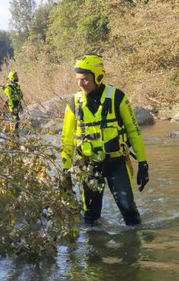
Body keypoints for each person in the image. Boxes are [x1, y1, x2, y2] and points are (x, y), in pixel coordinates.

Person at [61, 54, 150, 226]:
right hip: (88, 166)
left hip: (116, 163)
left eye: (85, 79)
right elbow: (66, 138)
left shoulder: (117, 98)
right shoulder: (73, 103)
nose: (80, 84)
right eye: (78, 79)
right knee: (90, 219)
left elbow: (134, 131)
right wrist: (65, 171)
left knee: (130, 213)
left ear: (98, 77)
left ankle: (135, 249)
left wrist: (143, 163)